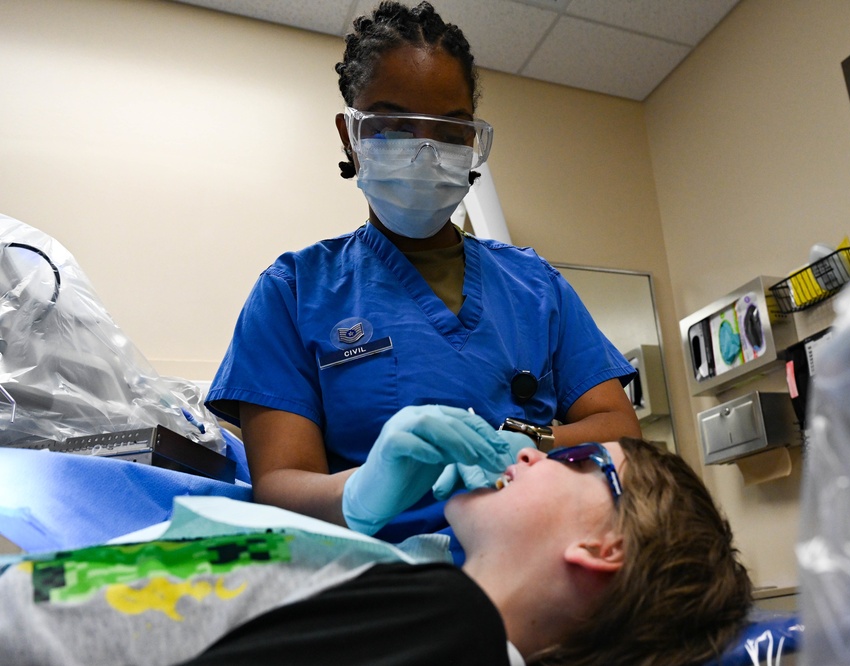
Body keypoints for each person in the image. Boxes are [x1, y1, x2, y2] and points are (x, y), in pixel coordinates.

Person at [205, 0, 641, 543]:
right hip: (384, 585)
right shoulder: (293, 292)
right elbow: (280, 485)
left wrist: (532, 440)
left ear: (472, 143)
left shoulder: (536, 285)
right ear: (350, 136)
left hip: (540, 563)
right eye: (392, 126)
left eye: (450, 131)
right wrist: (364, 491)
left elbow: (621, 430)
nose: (424, 151)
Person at [0, 434, 753, 666]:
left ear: (601, 545)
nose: (531, 451)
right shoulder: (420, 588)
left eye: (579, 455)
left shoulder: (452, 624)